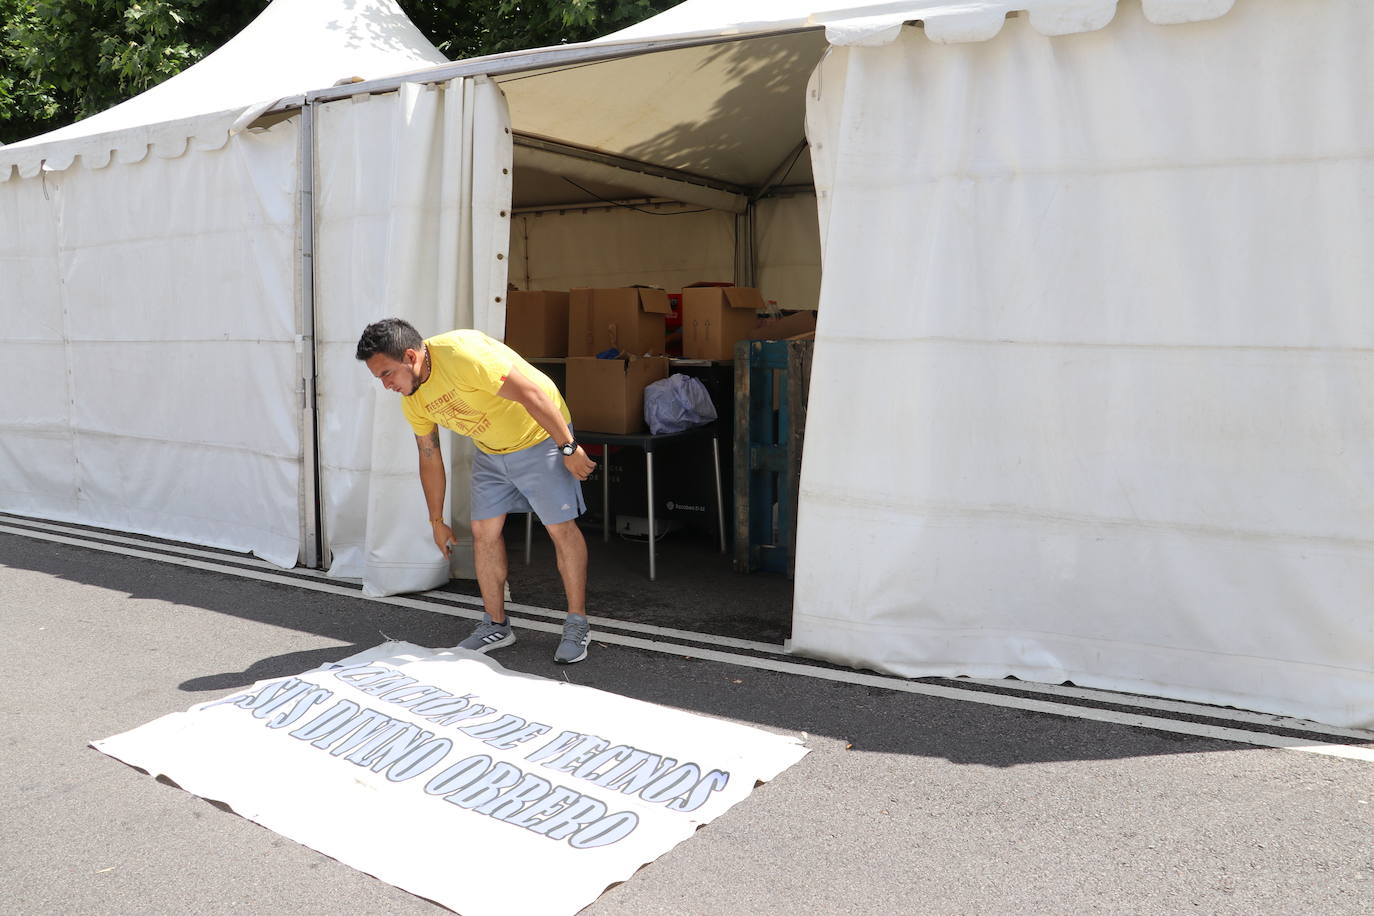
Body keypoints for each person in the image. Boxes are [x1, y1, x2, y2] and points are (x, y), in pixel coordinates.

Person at [355, 318, 597, 664]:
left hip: (539, 437)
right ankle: (496, 624)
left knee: (560, 528)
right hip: (491, 450)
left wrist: (568, 448)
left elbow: (532, 393)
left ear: (410, 356)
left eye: (386, 374)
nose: (385, 385)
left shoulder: (464, 356)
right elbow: (429, 457)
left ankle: (577, 623)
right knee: (484, 532)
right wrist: (436, 520)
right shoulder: (413, 399)